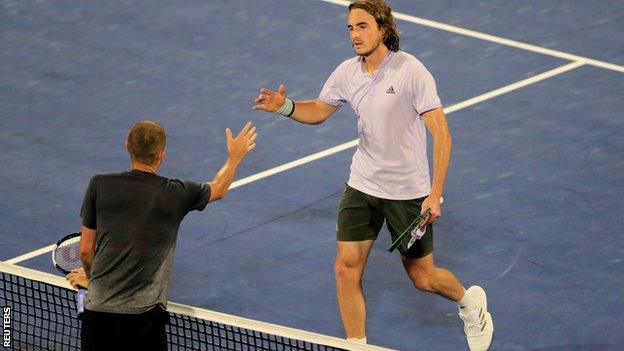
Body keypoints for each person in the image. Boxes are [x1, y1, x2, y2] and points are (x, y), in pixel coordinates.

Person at [252, 1, 493, 350]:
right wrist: (285, 107)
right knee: (345, 268)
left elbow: (442, 134)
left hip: (407, 192)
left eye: (362, 26)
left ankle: (469, 303)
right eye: (350, 28)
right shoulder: (346, 73)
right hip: (362, 184)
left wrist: (434, 192)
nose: (355, 34)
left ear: (383, 28)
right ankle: (356, 346)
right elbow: (320, 109)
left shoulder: (411, 71)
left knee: (423, 278)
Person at [76, 120, 257, 351]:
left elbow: (85, 250)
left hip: (98, 315)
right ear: (161, 155)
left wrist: (94, 280)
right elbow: (220, 187)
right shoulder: (176, 193)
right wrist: (235, 157)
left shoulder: (99, 184)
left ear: (126, 146)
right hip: (144, 321)